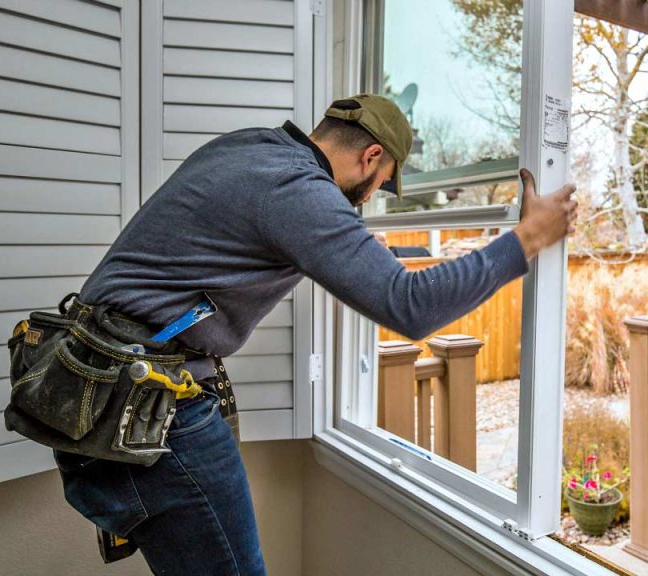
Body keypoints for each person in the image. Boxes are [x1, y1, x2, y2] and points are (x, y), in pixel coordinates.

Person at [54, 94, 577, 575]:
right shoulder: (297, 189)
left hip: (99, 381)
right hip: (145, 402)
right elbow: (410, 306)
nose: (369, 200)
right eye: (379, 185)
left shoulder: (252, 149)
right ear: (371, 157)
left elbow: (348, 257)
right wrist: (527, 238)